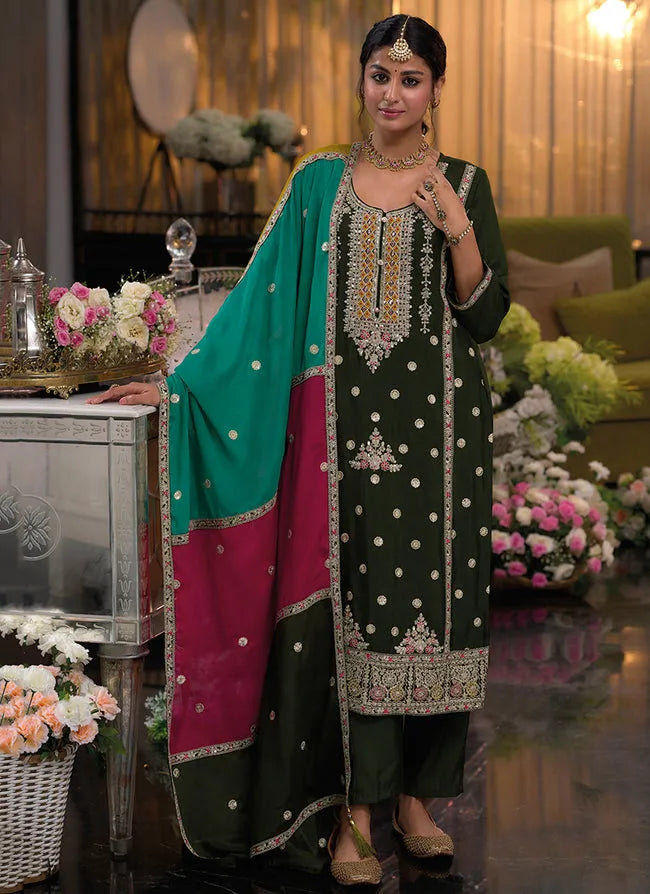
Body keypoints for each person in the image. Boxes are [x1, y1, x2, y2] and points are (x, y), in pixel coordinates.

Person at [89, 12, 508, 885]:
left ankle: (417, 802)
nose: (392, 93)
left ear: (436, 90)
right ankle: (353, 815)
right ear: (362, 80)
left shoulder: (464, 182)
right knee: (356, 618)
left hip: (440, 442)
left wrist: (458, 228)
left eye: (411, 79)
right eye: (380, 75)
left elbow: (484, 316)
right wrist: (182, 384)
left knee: (431, 619)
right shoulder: (321, 183)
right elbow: (261, 303)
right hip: (338, 445)